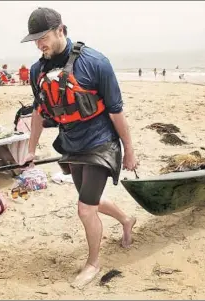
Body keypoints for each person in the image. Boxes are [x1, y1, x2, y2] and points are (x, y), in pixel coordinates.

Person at [20, 7, 138, 289]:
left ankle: (93, 263)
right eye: (34, 40)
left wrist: (129, 150)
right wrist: (31, 149)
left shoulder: (95, 62)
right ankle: (126, 219)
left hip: (101, 143)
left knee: (85, 209)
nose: (39, 44)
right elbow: (38, 112)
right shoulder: (38, 70)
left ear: (61, 30)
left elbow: (116, 111)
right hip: (71, 144)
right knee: (91, 201)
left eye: (43, 37)